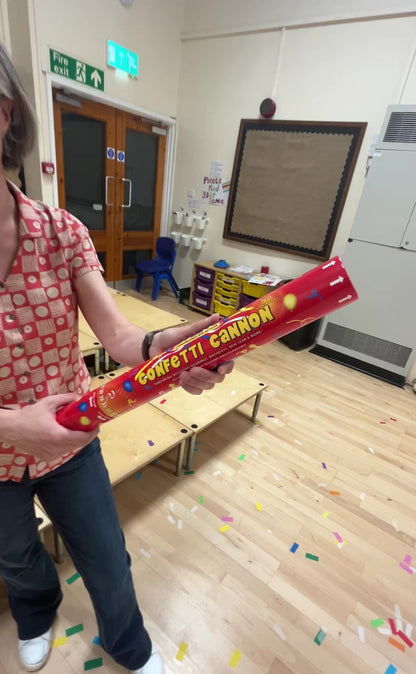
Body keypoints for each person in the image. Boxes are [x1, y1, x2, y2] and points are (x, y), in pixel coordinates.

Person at [0, 44, 233, 673]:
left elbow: (118, 336)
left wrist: (163, 351)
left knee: (105, 553)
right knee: (17, 557)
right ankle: (34, 612)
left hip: (74, 439)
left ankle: (128, 645)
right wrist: (12, 426)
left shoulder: (61, 232)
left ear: (3, 114)